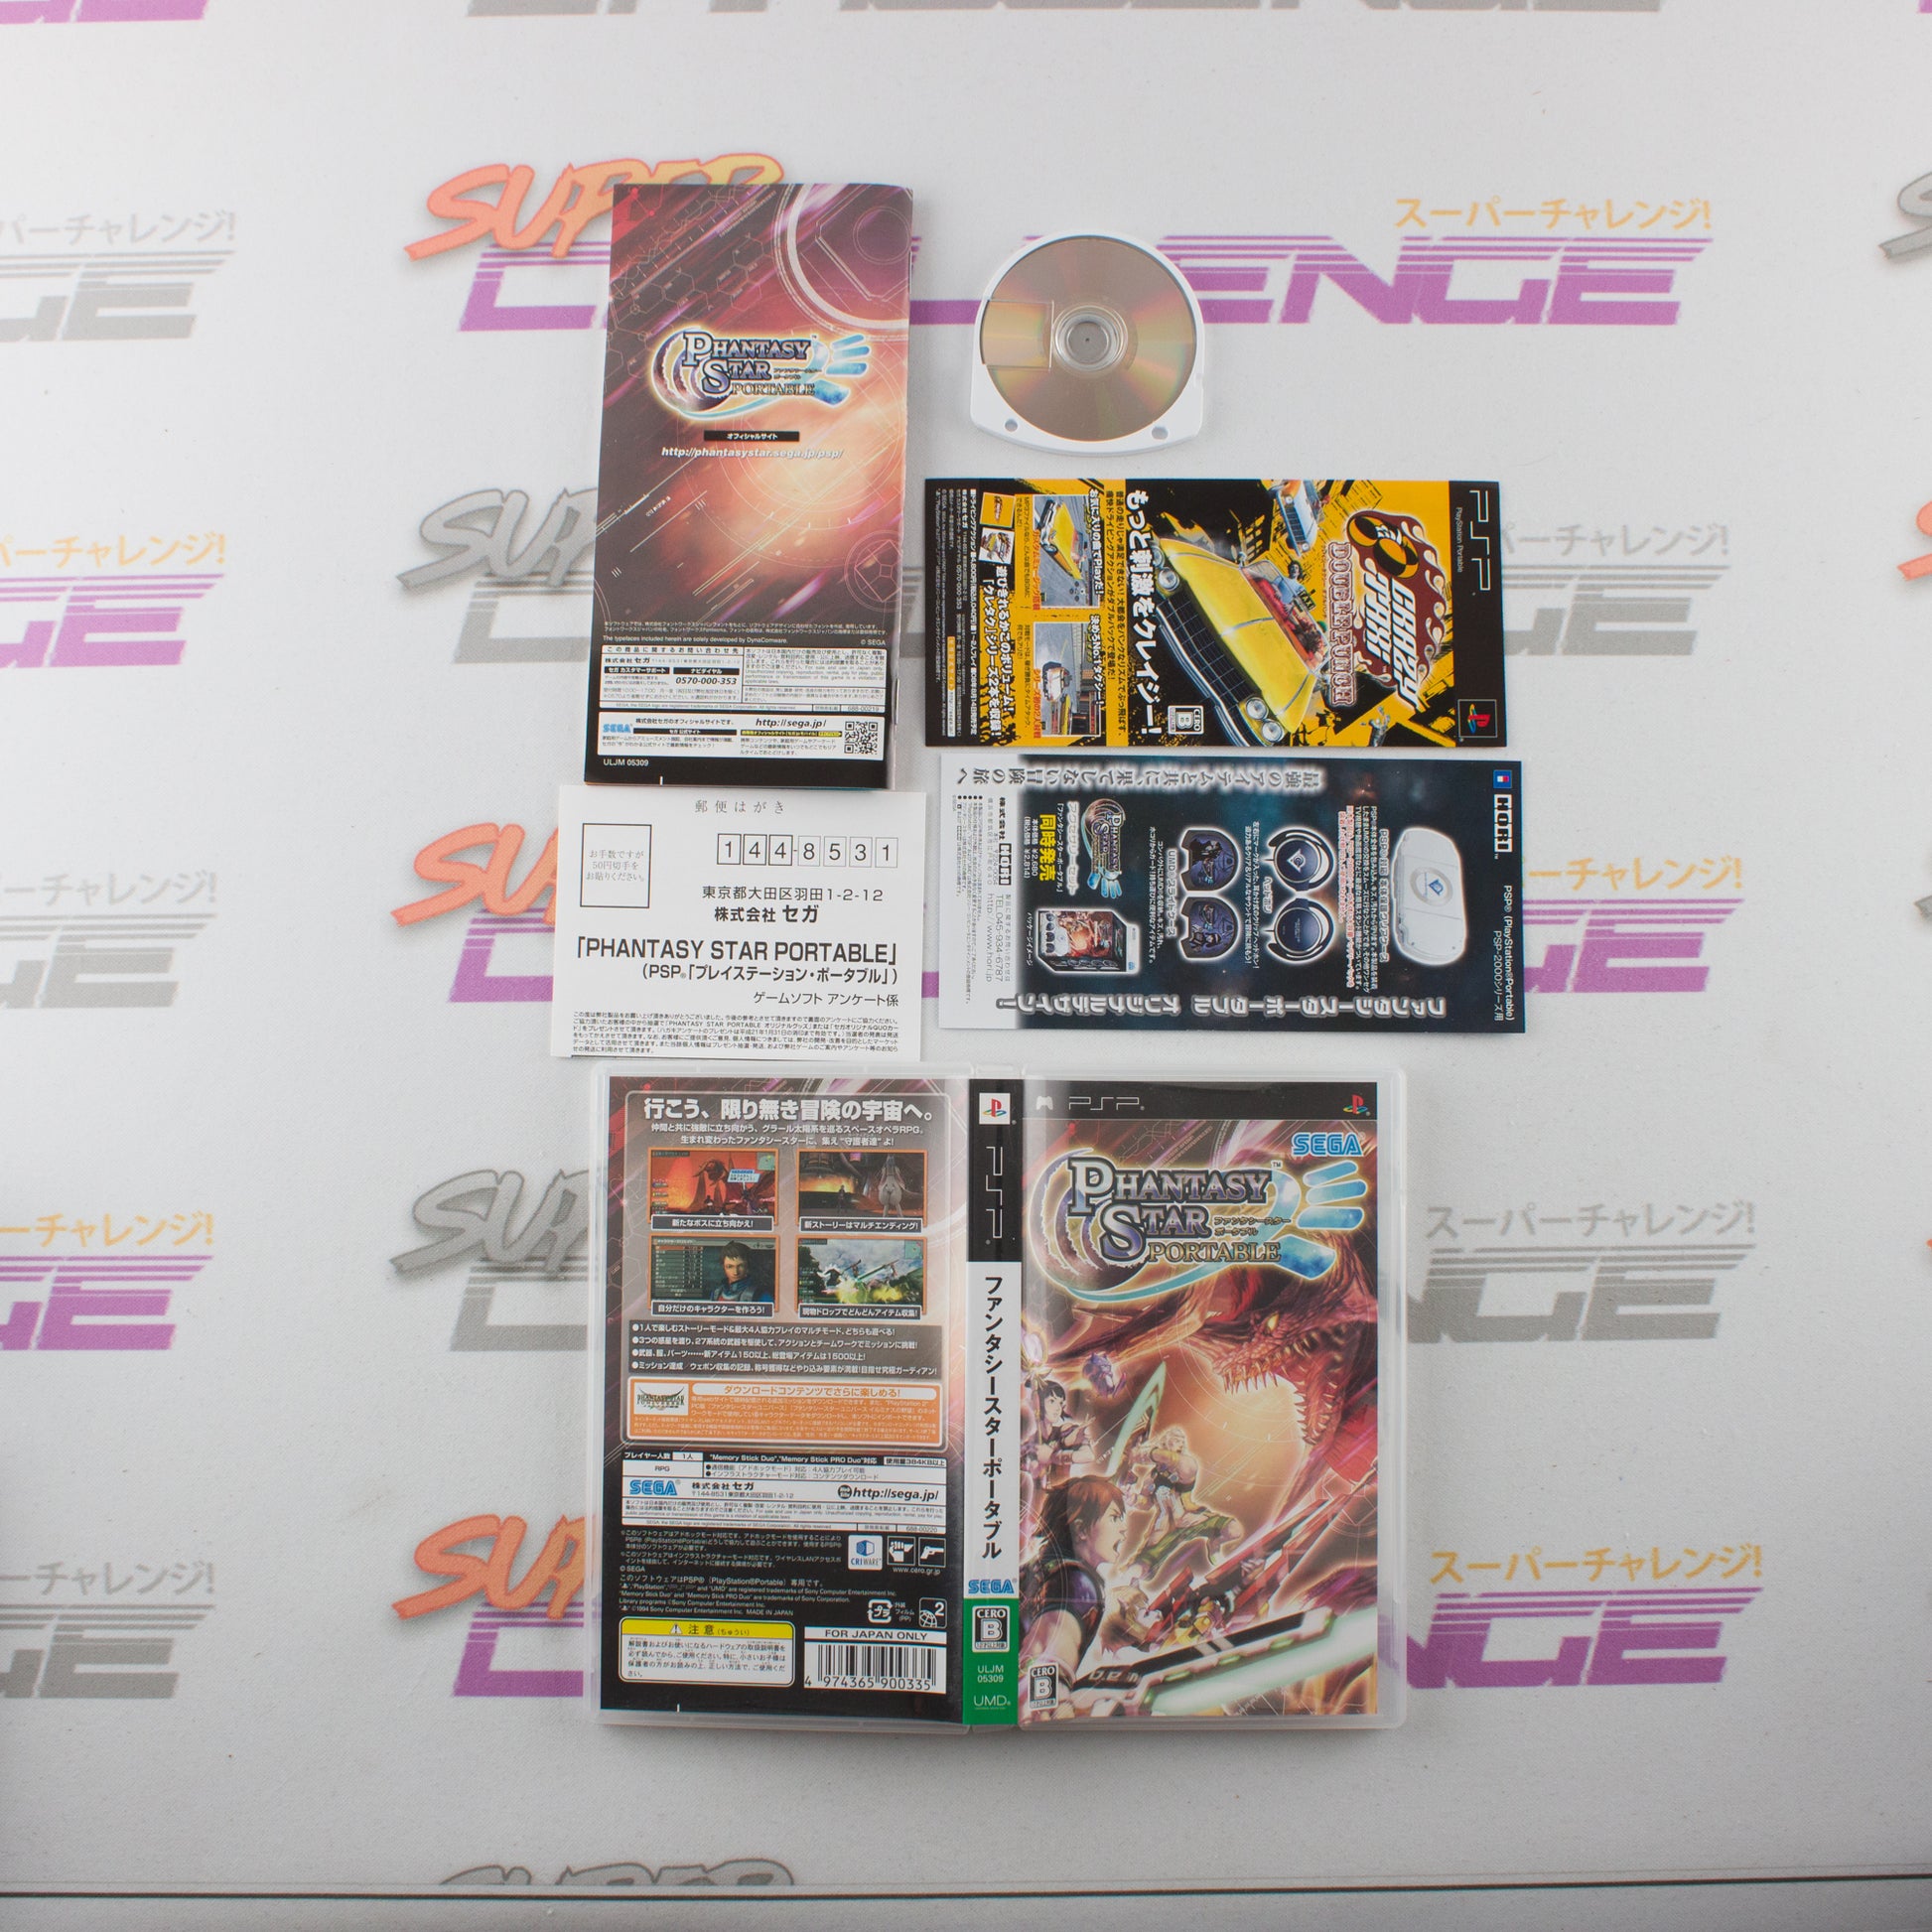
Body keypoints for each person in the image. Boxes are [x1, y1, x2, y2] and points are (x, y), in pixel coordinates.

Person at [1020, 1473, 1127, 1715]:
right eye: (1114, 1518)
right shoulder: (1078, 1582)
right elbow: (1052, 1643)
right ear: (1081, 1530)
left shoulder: (1037, 1568)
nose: (1123, 1528)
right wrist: (1055, 1700)